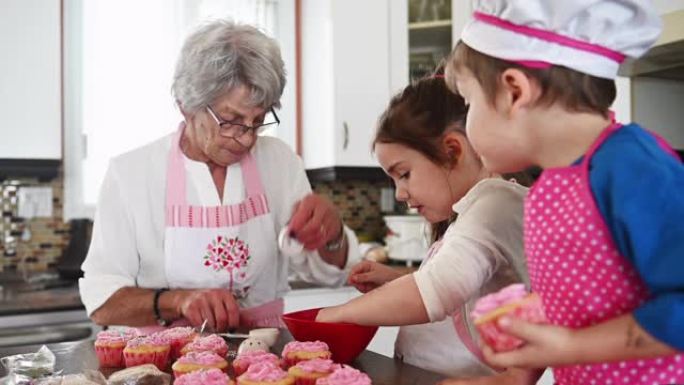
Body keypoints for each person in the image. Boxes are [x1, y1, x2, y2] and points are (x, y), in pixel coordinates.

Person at [445, 0, 684, 384]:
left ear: (513, 92)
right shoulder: (549, 188)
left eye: (469, 102)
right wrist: (513, 375)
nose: (466, 122)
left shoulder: (633, 166)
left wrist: (571, 346)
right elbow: (569, 305)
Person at [79, 20, 359, 332]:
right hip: (161, 365)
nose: (247, 138)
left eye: (259, 120)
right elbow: (102, 303)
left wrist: (332, 236)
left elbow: (326, 275)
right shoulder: (130, 174)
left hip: (259, 360)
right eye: (230, 120)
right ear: (187, 107)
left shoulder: (279, 163)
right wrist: (178, 301)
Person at [316, 74, 532, 382]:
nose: (400, 194)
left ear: (452, 151)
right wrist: (397, 280)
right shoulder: (473, 210)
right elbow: (467, 286)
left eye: (404, 174)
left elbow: (439, 291)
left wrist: (341, 313)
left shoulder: (494, 205)